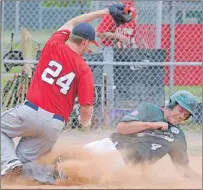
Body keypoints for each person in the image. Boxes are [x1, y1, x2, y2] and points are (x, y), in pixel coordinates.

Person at [1, 5, 113, 177]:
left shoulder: (54, 43)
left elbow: (73, 22)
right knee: (22, 165)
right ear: (84, 42)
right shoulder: (84, 70)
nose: (89, 48)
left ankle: (10, 162)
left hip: (30, 112)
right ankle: (55, 173)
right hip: (54, 126)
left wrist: (103, 12)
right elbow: (86, 109)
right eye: (90, 44)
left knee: (9, 152)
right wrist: (86, 124)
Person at [83, 90, 201, 180]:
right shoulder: (149, 109)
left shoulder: (178, 136)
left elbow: (183, 169)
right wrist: (152, 125)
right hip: (110, 145)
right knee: (71, 156)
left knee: (84, 174)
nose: (181, 116)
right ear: (171, 104)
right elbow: (121, 128)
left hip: (125, 165)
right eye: (180, 110)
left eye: (186, 115)